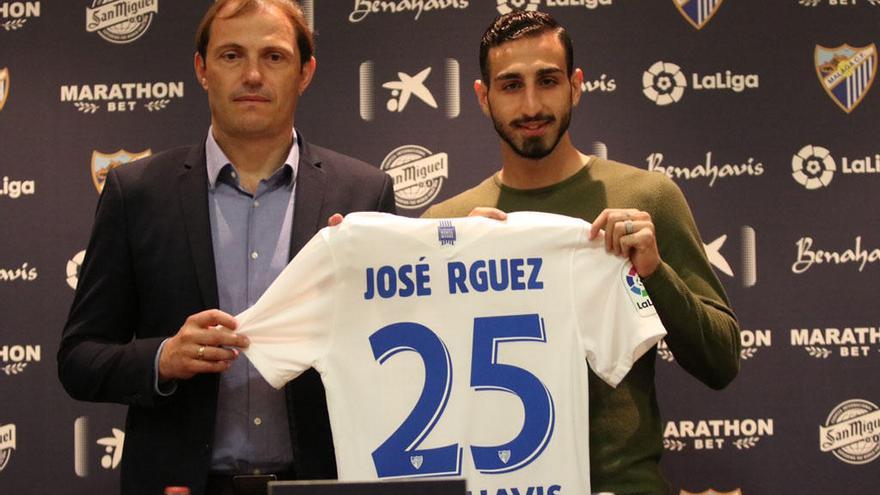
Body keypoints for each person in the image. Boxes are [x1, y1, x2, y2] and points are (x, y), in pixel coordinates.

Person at [57, 1, 396, 494]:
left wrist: (469, 247)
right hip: (181, 486)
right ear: (202, 68)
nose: (253, 75)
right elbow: (78, 359)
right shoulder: (137, 193)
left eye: (275, 57)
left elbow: (400, 347)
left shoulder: (363, 194)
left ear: (306, 73)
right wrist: (163, 358)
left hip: (321, 484)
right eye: (232, 55)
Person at [422, 11, 741, 494]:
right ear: (483, 98)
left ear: (575, 86)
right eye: (511, 85)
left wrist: (654, 273)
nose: (531, 104)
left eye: (547, 81)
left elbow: (721, 362)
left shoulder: (648, 197)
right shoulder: (442, 226)